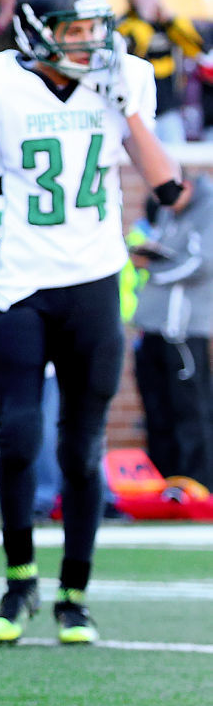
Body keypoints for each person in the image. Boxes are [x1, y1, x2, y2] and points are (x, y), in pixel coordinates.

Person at [0, 0, 181, 646]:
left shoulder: (122, 77)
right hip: (18, 282)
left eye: (94, 30)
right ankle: (19, 576)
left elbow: (167, 187)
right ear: (35, 32)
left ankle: (73, 593)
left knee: (84, 448)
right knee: (19, 434)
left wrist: (126, 108)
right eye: (74, 31)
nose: (89, 43)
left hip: (93, 279)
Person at [131, 172, 213, 489]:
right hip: (152, 326)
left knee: (190, 409)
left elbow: (202, 263)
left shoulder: (206, 209)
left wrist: (154, 268)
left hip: (184, 331)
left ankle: (197, 483)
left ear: (187, 186)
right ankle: (163, 483)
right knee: (156, 408)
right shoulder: (166, 208)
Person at [116, 0, 205, 143]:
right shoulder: (125, 24)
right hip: (136, 110)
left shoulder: (169, 24)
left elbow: (196, 49)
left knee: (175, 161)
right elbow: (133, 49)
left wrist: (171, 21)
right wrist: (145, 19)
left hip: (168, 110)